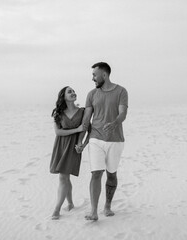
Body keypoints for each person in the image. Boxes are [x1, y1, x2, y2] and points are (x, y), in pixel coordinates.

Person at [77, 62, 128, 221]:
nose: (92, 78)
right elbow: (86, 120)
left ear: (104, 75)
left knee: (111, 174)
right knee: (96, 173)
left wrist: (115, 122)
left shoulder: (121, 91)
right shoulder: (92, 94)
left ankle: (107, 205)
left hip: (116, 140)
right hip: (95, 138)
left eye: (94, 75)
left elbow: (123, 113)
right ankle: (93, 211)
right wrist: (82, 142)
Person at [50, 86, 90, 220]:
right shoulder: (58, 113)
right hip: (61, 146)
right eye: (69, 92)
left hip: (74, 147)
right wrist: (76, 129)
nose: (73, 93)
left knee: (63, 177)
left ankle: (56, 209)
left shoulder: (83, 111)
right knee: (65, 177)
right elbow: (58, 132)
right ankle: (70, 203)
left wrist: (83, 145)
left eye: (74, 91)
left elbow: (89, 130)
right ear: (63, 96)